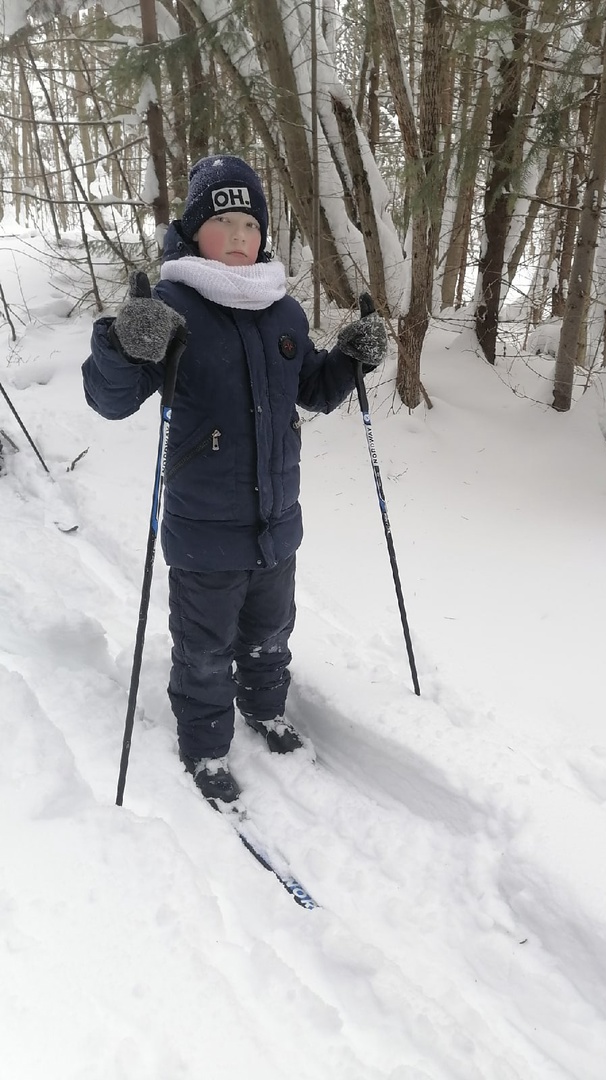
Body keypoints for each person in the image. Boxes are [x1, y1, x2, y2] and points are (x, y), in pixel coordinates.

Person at [82, 154, 387, 804]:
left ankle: (266, 709)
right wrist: (120, 343)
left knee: (271, 635)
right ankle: (204, 747)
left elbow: (312, 388)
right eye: (224, 220)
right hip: (204, 533)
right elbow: (110, 400)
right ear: (195, 233)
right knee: (203, 650)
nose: (241, 233)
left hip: (277, 526)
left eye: (250, 221)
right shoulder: (173, 307)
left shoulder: (282, 314)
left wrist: (351, 360)